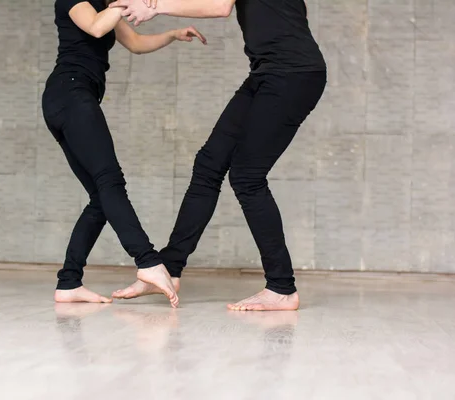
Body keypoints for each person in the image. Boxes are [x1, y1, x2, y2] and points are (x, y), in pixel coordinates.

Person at [111, 0, 326, 311]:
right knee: (209, 164)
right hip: (268, 72)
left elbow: (220, 5)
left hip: (293, 74)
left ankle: (282, 287)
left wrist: (155, 8)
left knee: (247, 176)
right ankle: (170, 270)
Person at [42, 0, 207, 308]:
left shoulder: (105, 7)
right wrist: (127, 2)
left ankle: (69, 282)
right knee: (110, 181)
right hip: (70, 93)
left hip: (73, 97)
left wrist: (172, 34)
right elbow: (95, 26)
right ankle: (147, 262)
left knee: (101, 197)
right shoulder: (76, 1)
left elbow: (136, 42)